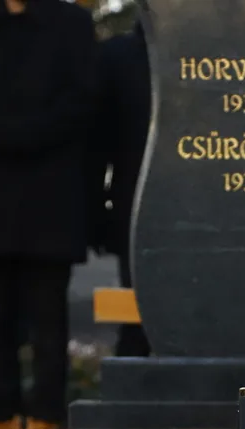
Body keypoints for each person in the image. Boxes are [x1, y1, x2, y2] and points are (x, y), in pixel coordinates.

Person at [0, 0, 98, 429]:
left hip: (52, 194)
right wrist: (6, 137)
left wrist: (28, 136)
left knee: (49, 320)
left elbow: (82, 101)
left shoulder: (72, 24)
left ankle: (46, 421)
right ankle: (2, 421)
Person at [88, 15, 151, 359]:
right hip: (135, 211)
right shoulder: (117, 58)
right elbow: (98, 144)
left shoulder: (118, 57)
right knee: (137, 322)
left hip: (137, 207)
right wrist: (98, 213)